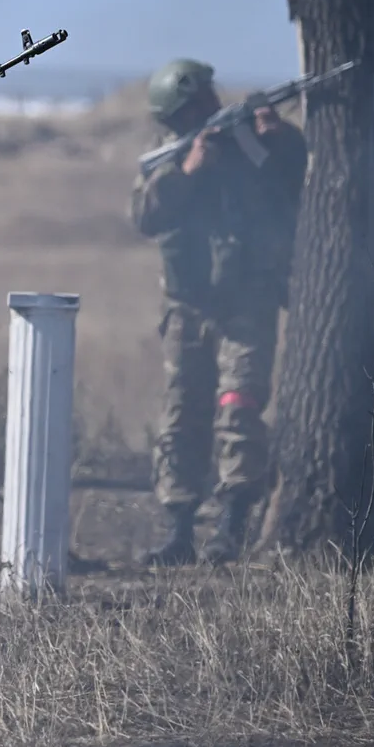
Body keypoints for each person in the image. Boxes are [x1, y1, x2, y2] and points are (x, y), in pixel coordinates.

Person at [129, 58, 308, 566]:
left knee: (240, 406)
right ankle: (179, 528)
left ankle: (231, 523)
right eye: (192, 110)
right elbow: (143, 214)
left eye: (208, 101)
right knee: (183, 416)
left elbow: (293, 173)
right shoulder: (171, 163)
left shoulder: (256, 144)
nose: (206, 111)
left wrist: (274, 135)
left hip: (246, 302)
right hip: (187, 309)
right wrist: (188, 171)